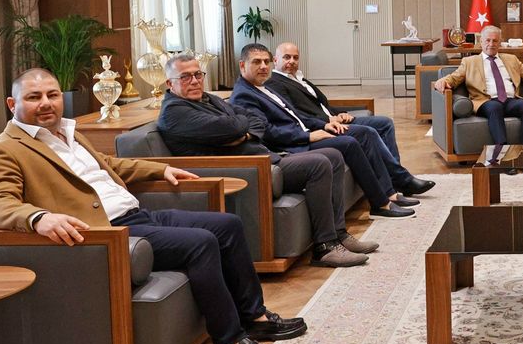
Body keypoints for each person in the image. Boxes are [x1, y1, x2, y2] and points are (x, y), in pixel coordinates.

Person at [0, 68, 305, 344]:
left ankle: (254, 317)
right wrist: (38, 217)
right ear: (12, 104)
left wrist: (160, 169)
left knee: (227, 224)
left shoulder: (68, 132)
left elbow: (108, 164)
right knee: (201, 242)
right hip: (108, 232)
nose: (46, 103)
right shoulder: (1, 149)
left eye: (52, 95)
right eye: (34, 97)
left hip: (137, 214)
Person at [157, 53, 376, 267]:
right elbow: (232, 126)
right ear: (169, 83)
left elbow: (254, 120)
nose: (195, 81)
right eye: (185, 77)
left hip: (262, 158)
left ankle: (338, 234)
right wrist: (238, 128)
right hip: (243, 169)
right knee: (318, 164)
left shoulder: (209, 98)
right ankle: (325, 248)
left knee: (333, 156)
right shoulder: (175, 112)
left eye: (198, 74)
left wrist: (242, 134)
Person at [230, 44, 416, 219]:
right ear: (242, 65)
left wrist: (325, 125)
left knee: (365, 133)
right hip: (292, 144)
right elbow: (268, 131)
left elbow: (296, 115)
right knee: (350, 142)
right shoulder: (244, 94)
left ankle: (388, 194)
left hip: (307, 132)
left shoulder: (262, 87)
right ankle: (381, 203)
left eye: (266, 61)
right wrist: (309, 135)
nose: (263, 66)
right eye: (257, 62)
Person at [268, 41, 434, 197]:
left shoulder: (299, 78)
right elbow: (295, 114)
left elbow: (321, 105)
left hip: (334, 120)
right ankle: (401, 179)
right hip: (321, 127)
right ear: (275, 60)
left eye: (295, 58)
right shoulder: (275, 82)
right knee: (368, 132)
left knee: (385, 123)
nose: (292, 61)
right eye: (287, 57)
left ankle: (395, 177)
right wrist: (327, 122)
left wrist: (341, 113)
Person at [433, 25, 523, 144]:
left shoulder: (511, 59)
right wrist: (443, 81)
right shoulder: (469, 62)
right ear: (481, 42)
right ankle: (502, 148)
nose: (491, 44)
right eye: (488, 40)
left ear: (500, 43)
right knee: (495, 107)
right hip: (485, 101)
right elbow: (454, 77)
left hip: (510, 100)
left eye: (495, 41)